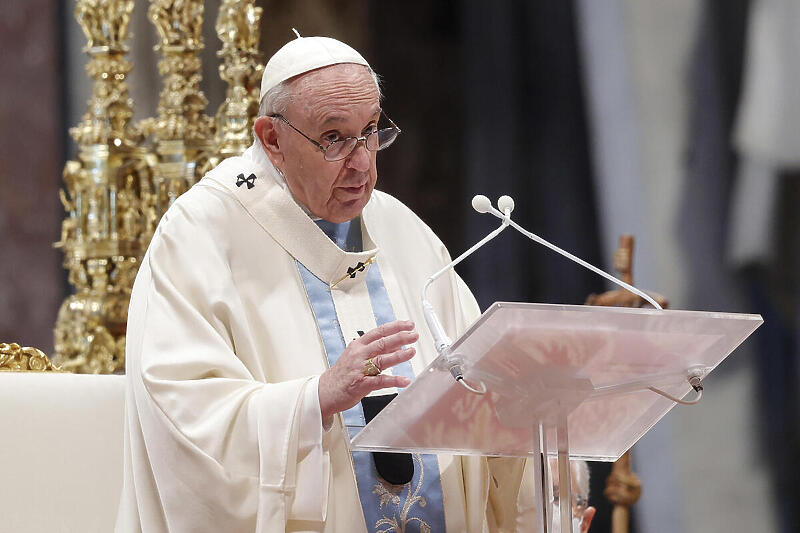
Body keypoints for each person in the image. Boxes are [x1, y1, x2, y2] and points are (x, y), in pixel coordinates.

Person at [116, 33, 558, 532]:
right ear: (272, 140)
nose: (363, 163)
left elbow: (480, 380)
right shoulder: (201, 234)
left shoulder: (402, 229)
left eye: (370, 131)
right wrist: (314, 399)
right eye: (334, 138)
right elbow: (181, 410)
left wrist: (524, 388)